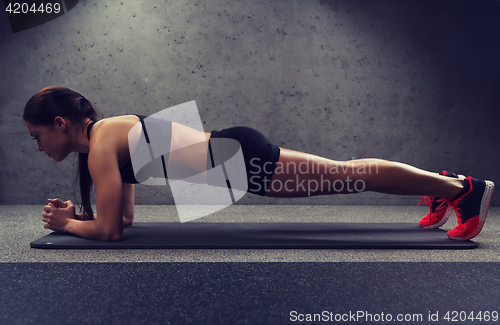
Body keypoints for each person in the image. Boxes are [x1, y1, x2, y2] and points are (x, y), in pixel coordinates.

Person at [24, 86, 495, 241]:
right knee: (348, 175)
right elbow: (122, 219)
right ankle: (444, 185)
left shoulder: (104, 137)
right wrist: (79, 216)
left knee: (350, 175)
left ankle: (463, 190)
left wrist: (68, 226)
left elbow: (108, 232)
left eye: (37, 136)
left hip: (240, 160)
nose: (38, 147)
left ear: (61, 123)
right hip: (234, 163)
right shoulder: (100, 152)